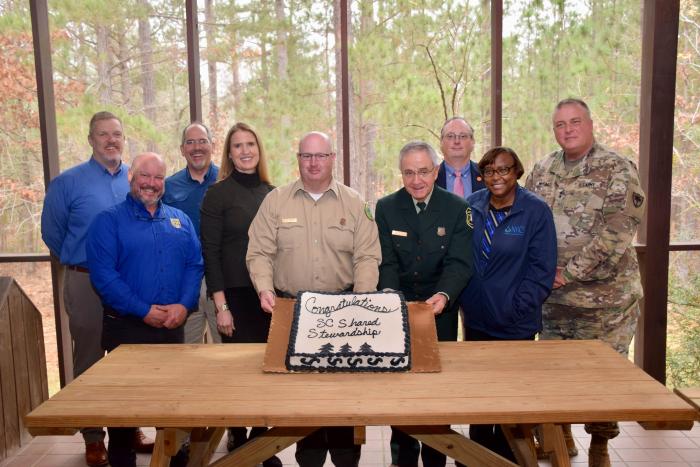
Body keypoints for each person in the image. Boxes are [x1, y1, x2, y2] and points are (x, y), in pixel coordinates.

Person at [246, 131, 381, 467]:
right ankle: (308, 458)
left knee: (342, 401)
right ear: (298, 160)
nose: (314, 163)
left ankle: (346, 458)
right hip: (293, 313)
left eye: (321, 156)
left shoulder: (354, 202)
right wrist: (264, 288)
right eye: (307, 156)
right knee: (302, 400)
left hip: (343, 313)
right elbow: (259, 252)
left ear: (333, 158)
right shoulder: (276, 201)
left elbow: (367, 257)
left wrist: (361, 306)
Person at [525, 98, 646, 467]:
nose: (568, 130)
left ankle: (600, 444)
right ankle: (560, 434)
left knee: (602, 381)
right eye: (560, 124)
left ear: (591, 124)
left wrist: (569, 272)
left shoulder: (617, 168)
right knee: (554, 375)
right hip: (553, 302)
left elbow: (618, 231)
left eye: (575, 122)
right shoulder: (542, 169)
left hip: (604, 303)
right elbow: (527, 220)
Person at [40, 111, 153, 467]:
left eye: (116, 134)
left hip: (127, 282)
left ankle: (127, 428)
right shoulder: (67, 183)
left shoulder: (134, 181)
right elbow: (53, 234)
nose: (111, 140)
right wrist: (81, 262)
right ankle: (93, 437)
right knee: (89, 360)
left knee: (128, 360)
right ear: (91, 139)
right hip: (85, 280)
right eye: (103, 134)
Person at [86, 152, 203, 467]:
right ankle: (122, 461)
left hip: (171, 329)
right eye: (144, 176)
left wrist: (184, 304)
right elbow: (104, 277)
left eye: (158, 177)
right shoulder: (107, 222)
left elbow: (195, 265)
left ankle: (176, 460)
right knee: (126, 409)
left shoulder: (180, 220)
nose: (151, 184)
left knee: (172, 404)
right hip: (127, 328)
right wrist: (143, 310)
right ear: (130, 177)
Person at [375, 140, 473, 467]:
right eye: (409, 173)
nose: (417, 180)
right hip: (398, 312)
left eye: (423, 171)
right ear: (401, 174)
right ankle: (402, 459)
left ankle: (435, 459)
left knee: (435, 396)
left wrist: (444, 295)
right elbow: (386, 261)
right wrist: (389, 295)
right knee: (400, 394)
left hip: (439, 312)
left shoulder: (457, 208)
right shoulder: (386, 207)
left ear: (436, 171)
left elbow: (459, 263)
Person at [459, 146, 557, 462]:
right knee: (479, 400)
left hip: (515, 323)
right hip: (476, 319)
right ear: (481, 175)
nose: (496, 177)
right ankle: (475, 457)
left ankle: (507, 459)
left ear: (517, 171)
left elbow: (542, 271)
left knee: (510, 403)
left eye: (504, 169)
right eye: (489, 171)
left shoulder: (535, 211)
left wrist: (515, 309)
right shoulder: (471, 206)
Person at [199, 122, 278, 465]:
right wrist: (221, 307)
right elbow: (210, 253)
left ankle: (261, 441)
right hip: (233, 296)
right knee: (236, 375)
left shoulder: (274, 193)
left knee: (265, 372)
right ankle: (238, 434)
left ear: (259, 150)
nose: (245, 151)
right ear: (229, 153)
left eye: (250, 144)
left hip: (268, 298)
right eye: (237, 146)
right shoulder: (217, 194)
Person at [162, 122, 220, 344]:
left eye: (202, 141)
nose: (197, 147)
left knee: (227, 352)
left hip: (221, 281)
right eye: (190, 142)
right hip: (184, 281)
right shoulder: (168, 187)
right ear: (182, 149)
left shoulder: (226, 181)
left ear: (212, 145)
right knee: (185, 350)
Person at [436, 117, 486, 198]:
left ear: (473, 142)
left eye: (463, 136)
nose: (457, 141)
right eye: (450, 136)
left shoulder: (487, 175)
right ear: (441, 142)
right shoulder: (429, 178)